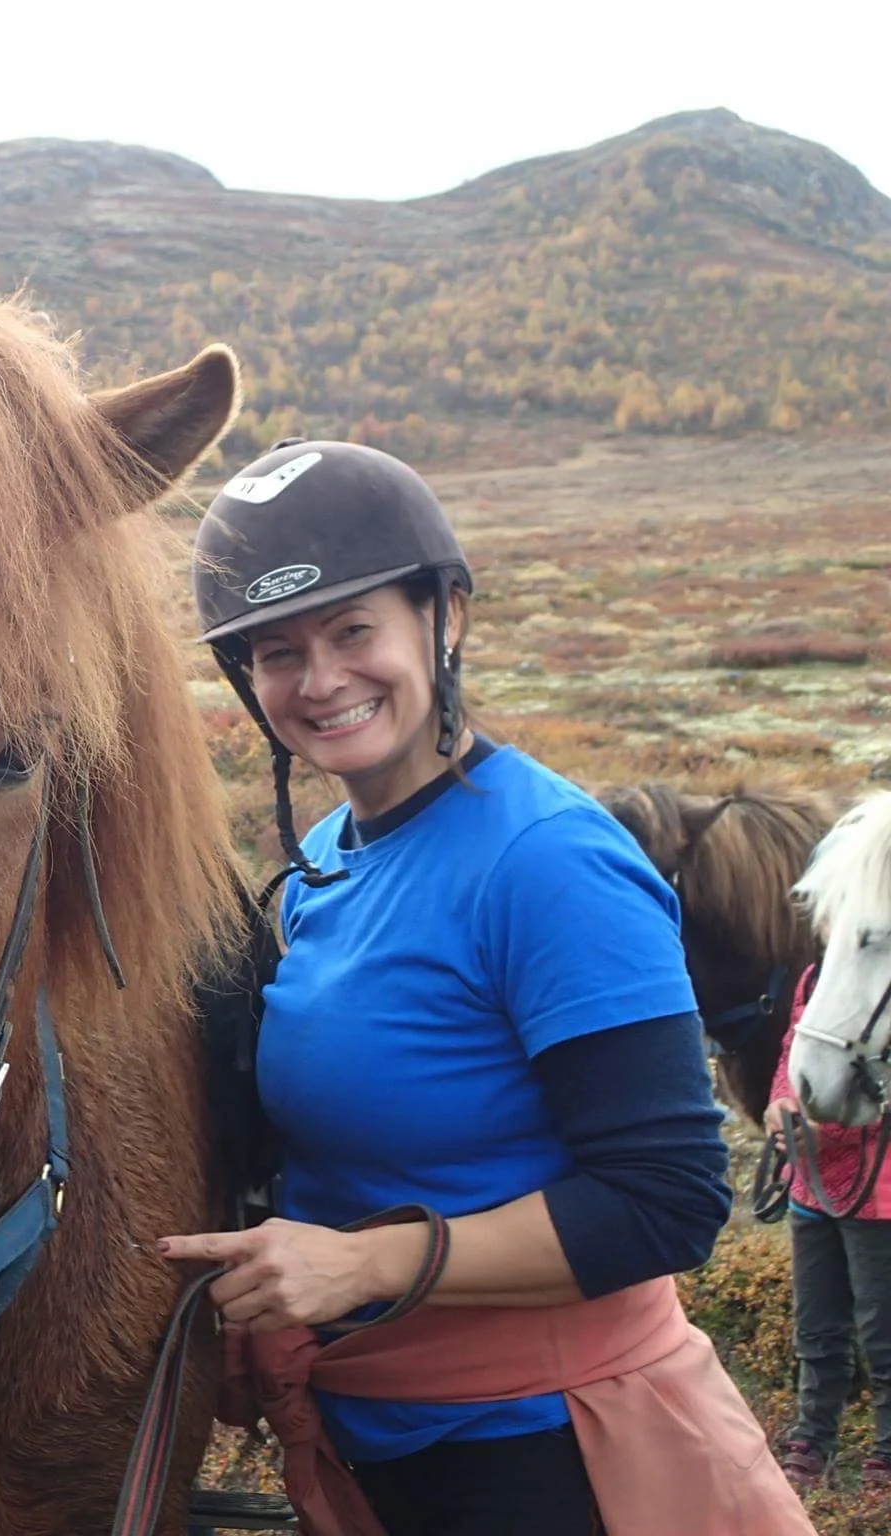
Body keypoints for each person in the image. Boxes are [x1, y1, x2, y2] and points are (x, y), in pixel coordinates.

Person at [156, 439, 808, 1535]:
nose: (317, 681)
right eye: (275, 653)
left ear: (443, 616)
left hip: (553, 1460)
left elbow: (666, 1200)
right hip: (389, 1453)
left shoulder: (547, 861)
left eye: (353, 630)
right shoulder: (327, 863)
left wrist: (358, 1264)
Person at [766, 973, 891, 1491]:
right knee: (816, 1327)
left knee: (883, 1335)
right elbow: (794, 1046)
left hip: (878, 1192)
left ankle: (886, 1456)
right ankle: (812, 1441)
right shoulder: (817, 976)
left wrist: (827, 1133)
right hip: (812, 1189)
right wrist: (780, 1105)